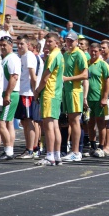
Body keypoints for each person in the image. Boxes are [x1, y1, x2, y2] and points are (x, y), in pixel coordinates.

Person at [34, 33, 64, 166]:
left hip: (50, 93)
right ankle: (56, 155)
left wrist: (37, 91)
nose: (47, 44)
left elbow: (46, 77)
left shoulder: (53, 55)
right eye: (47, 41)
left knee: (48, 126)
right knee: (55, 125)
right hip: (56, 94)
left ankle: (50, 155)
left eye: (50, 41)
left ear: (56, 43)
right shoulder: (60, 55)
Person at [60, 32, 88, 162]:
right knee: (71, 121)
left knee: (75, 121)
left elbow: (85, 75)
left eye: (71, 41)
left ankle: (76, 152)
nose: (69, 43)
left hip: (75, 91)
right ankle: (74, 150)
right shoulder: (65, 54)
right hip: (67, 91)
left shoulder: (79, 54)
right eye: (67, 40)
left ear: (76, 41)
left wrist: (68, 79)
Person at [85, 43, 109, 158]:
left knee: (101, 123)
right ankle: (92, 146)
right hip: (88, 99)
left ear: (100, 51)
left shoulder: (103, 65)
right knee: (89, 123)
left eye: (96, 51)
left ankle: (101, 147)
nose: (93, 53)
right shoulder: (86, 64)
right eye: (92, 51)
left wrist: (104, 97)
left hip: (99, 99)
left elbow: (108, 81)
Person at [14, 36, 39, 159]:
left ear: (27, 44)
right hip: (22, 92)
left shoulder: (29, 56)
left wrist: (35, 92)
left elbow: (33, 77)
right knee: (24, 121)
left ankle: (31, 149)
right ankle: (29, 148)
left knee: (29, 121)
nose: (19, 46)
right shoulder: (22, 57)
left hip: (28, 93)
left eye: (22, 44)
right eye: (18, 44)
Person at [0, 36, 21, 160]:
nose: (2, 47)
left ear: (11, 45)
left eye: (4, 45)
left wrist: (7, 94)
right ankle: (9, 148)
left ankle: (8, 150)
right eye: (0, 45)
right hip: (9, 92)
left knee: (1, 123)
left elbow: (14, 77)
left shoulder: (12, 59)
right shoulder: (6, 58)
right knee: (9, 123)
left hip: (10, 93)